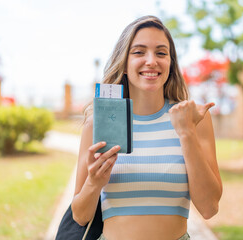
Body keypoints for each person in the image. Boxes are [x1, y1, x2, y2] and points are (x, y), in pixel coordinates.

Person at [71, 15, 223, 240]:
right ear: (123, 62)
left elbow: (209, 208)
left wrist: (186, 133)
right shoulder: (97, 124)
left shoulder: (193, 120)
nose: (151, 61)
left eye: (161, 53)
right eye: (139, 52)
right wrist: (94, 183)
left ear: (171, 64)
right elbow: (80, 216)